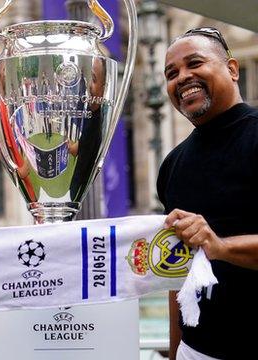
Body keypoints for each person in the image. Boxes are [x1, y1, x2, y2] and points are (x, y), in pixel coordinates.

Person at [158, 27, 258, 360]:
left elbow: (212, 248)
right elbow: (176, 273)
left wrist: (221, 247)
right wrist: (175, 352)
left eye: (194, 63)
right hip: (196, 351)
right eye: (171, 73)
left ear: (232, 68)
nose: (182, 77)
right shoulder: (172, 164)